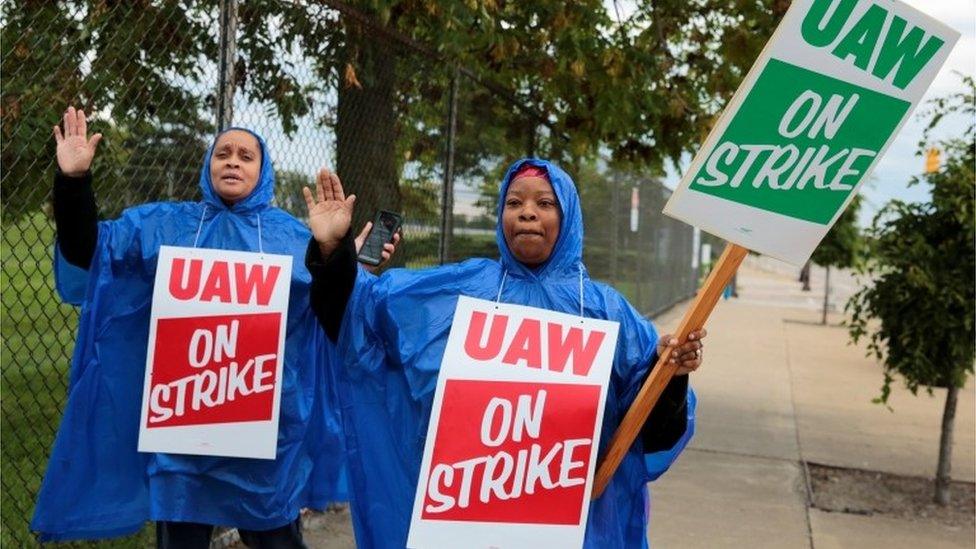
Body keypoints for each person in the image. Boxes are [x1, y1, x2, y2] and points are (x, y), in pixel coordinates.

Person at [31, 107, 393, 547]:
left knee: (277, 539)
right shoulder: (165, 226)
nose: (233, 162)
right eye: (223, 153)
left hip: (267, 435)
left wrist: (339, 257)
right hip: (183, 438)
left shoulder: (292, 237)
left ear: (263, 171)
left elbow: (336, 307)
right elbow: (90, 249)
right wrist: (73, 183)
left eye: (246, 155)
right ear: (208, 166)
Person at [303, 160, 705, 548]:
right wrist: (333, 249)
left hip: (577, 526)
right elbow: (361, 321)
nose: (527, 213)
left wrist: (670, 373)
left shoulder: (607, 311)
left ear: (568, 217)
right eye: (514, 203)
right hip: (471, 520)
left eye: (544, 204)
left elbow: (652, 430)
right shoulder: (460, 290)